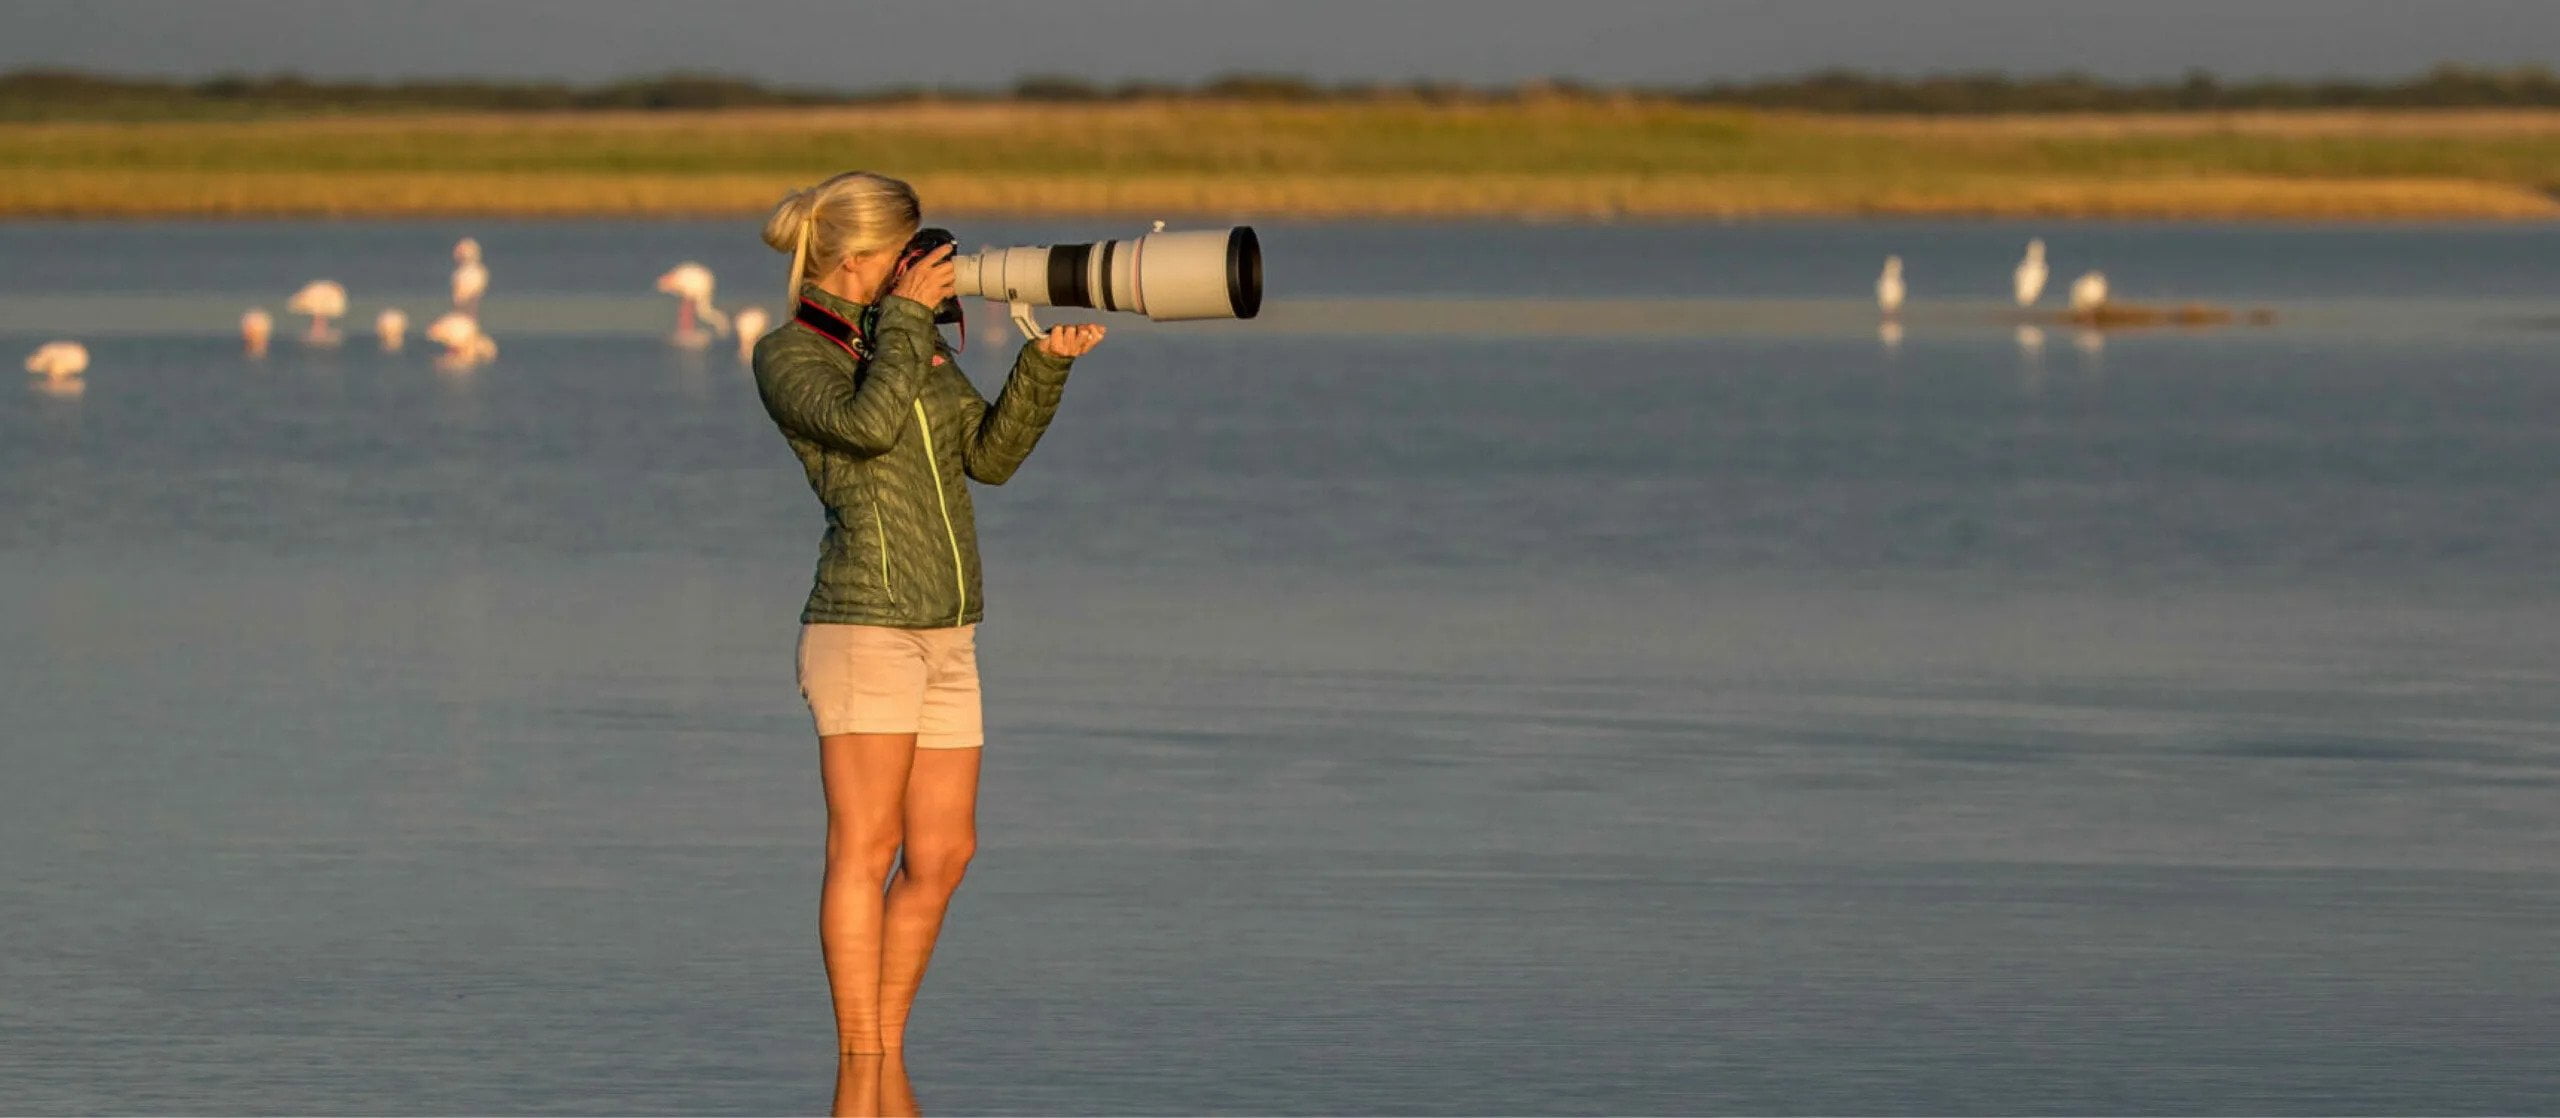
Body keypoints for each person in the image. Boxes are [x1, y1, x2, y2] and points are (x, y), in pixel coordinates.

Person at [752, 171, 1105, 1056]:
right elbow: (867, 428)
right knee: (865, 852)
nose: (926, 265)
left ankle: (885, 1052)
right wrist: (908, 321)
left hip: (950, 631)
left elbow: (986, 461)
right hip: (863, 621)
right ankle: (861, 1059)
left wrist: (1043, 366)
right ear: (865, 255)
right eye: (907, 250)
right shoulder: (791, 353)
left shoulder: (914, 343)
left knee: (945, 855)